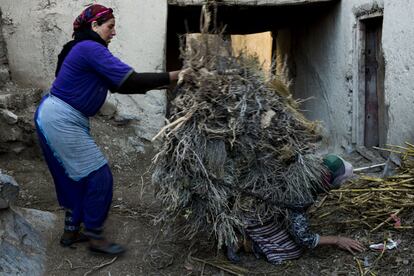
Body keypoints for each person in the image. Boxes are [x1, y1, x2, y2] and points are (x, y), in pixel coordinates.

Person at [34, 4, 182, 255]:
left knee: (76, 176)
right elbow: (131, 80)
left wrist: (168, 83)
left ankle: (71, 231)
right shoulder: (90, 48)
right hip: (61, 119)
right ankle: (95, 236)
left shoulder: (84, 49)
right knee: (99, 176)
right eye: (110, 26)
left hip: (58, 116)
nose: (114, 32)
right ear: (94, 26)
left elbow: (123, 86)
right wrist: (177, 75)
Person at [226, 154, 365, 264]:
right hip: (250, 213)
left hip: (257, 204)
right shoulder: (301, 194)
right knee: (292, 250)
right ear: (328, 180)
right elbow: (304, 238)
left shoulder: (305, 169)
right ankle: (243, 242)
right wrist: (337, 240)